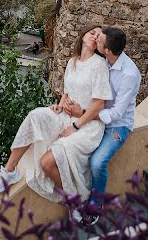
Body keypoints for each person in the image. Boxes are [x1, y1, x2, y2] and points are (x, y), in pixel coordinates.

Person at [0, 24, 112, 205]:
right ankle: (9, 171)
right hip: (67, 116)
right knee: (36, 115)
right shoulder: (73, 62)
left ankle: (74, 202)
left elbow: (100, 104)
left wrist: (75, 126)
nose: (95, 36)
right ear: (83, 34)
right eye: (92, 32)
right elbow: (67, 91)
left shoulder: (99, 64)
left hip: (87, 126)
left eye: (99, 36)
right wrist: (60, 105)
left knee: (46, 163)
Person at [63, 27, 141, 213]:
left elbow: (116, 114)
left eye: (99, 39)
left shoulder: (129, 75)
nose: (95, 38)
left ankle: (96, 203)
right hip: (95, 118)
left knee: (97, 162)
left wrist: (82, 113)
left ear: (106, 50)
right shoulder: (105, 60)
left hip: (117, 126)